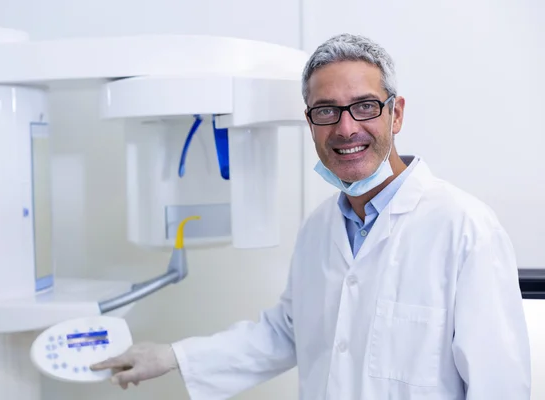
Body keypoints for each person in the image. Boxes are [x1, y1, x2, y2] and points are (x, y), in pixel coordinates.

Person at [91, 33, 532, 399]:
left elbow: (500, 385)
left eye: (364, 106)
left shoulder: (465, 229)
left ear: (395, 114)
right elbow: (287, 332)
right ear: (310, 123)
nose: (346, 128)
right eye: (327, 111)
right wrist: (172, 356)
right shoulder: (319, 228)